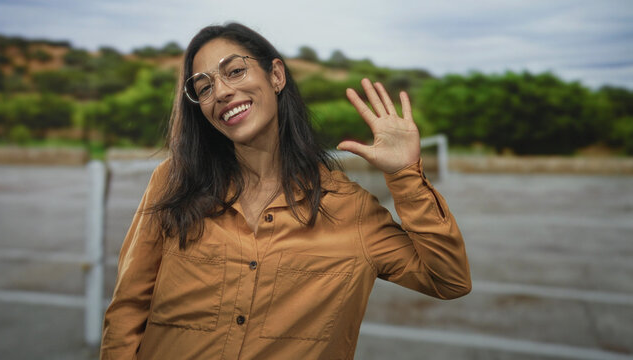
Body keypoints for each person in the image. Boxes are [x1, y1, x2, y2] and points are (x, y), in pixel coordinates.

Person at [101, 23, 471, 360]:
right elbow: (128, 309)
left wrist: (405, 175)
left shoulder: (349, 208)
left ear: (275, 75)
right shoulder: (173, 181)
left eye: (234, 71)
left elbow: (449, 279)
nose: (223, 92)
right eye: (205, 87)